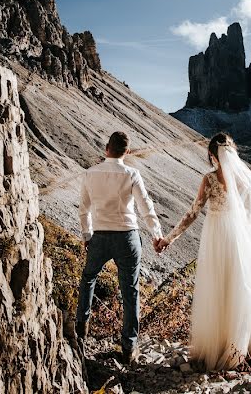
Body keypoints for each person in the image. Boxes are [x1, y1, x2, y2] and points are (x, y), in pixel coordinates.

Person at [156, 132, 251, 371]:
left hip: (216, 237)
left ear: (211, 155)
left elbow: (192, 213)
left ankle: (215, 350)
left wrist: (169, 239)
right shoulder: (247, 180)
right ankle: (240, 351)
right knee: (239, 288)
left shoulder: (210, 179)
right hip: (240, 240)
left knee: (216, 289)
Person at [75, 131, 163, 364]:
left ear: (107, 149)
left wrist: (87, 235)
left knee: (88, 278)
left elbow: (83, 209)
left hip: (100, 236)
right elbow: (146, 207)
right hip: (127, 237)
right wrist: (156, 234)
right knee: (130, 290)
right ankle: (128, 347)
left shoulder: (89, 173)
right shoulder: (132, 174)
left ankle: (81, 329)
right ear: (127, 152)